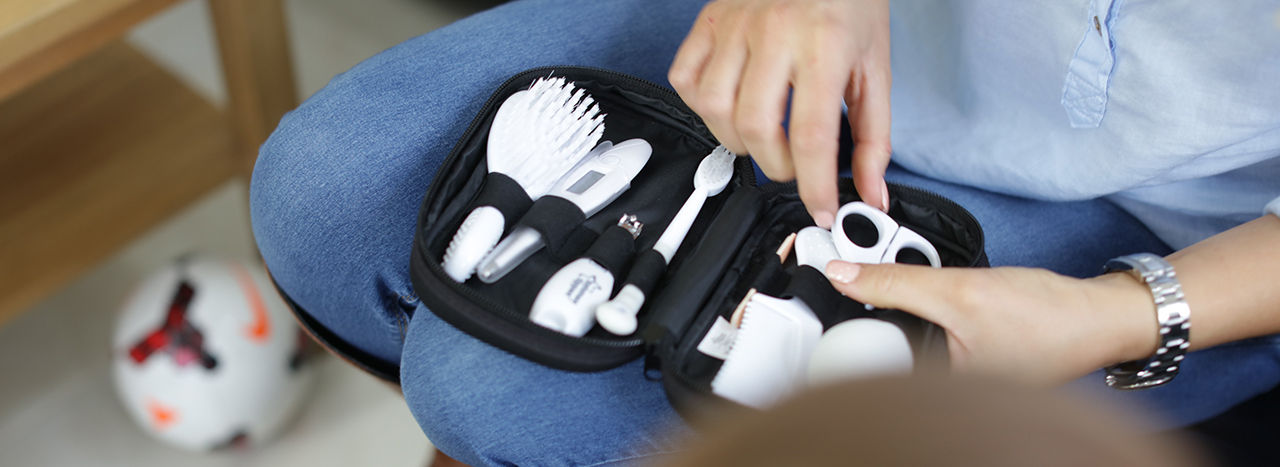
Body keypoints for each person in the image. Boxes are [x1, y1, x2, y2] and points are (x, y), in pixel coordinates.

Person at [249, 0, 1280, 465]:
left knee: (494, 394)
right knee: (323, 195)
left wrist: (1120, 312)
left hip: (1159, 217)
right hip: (863, 30)